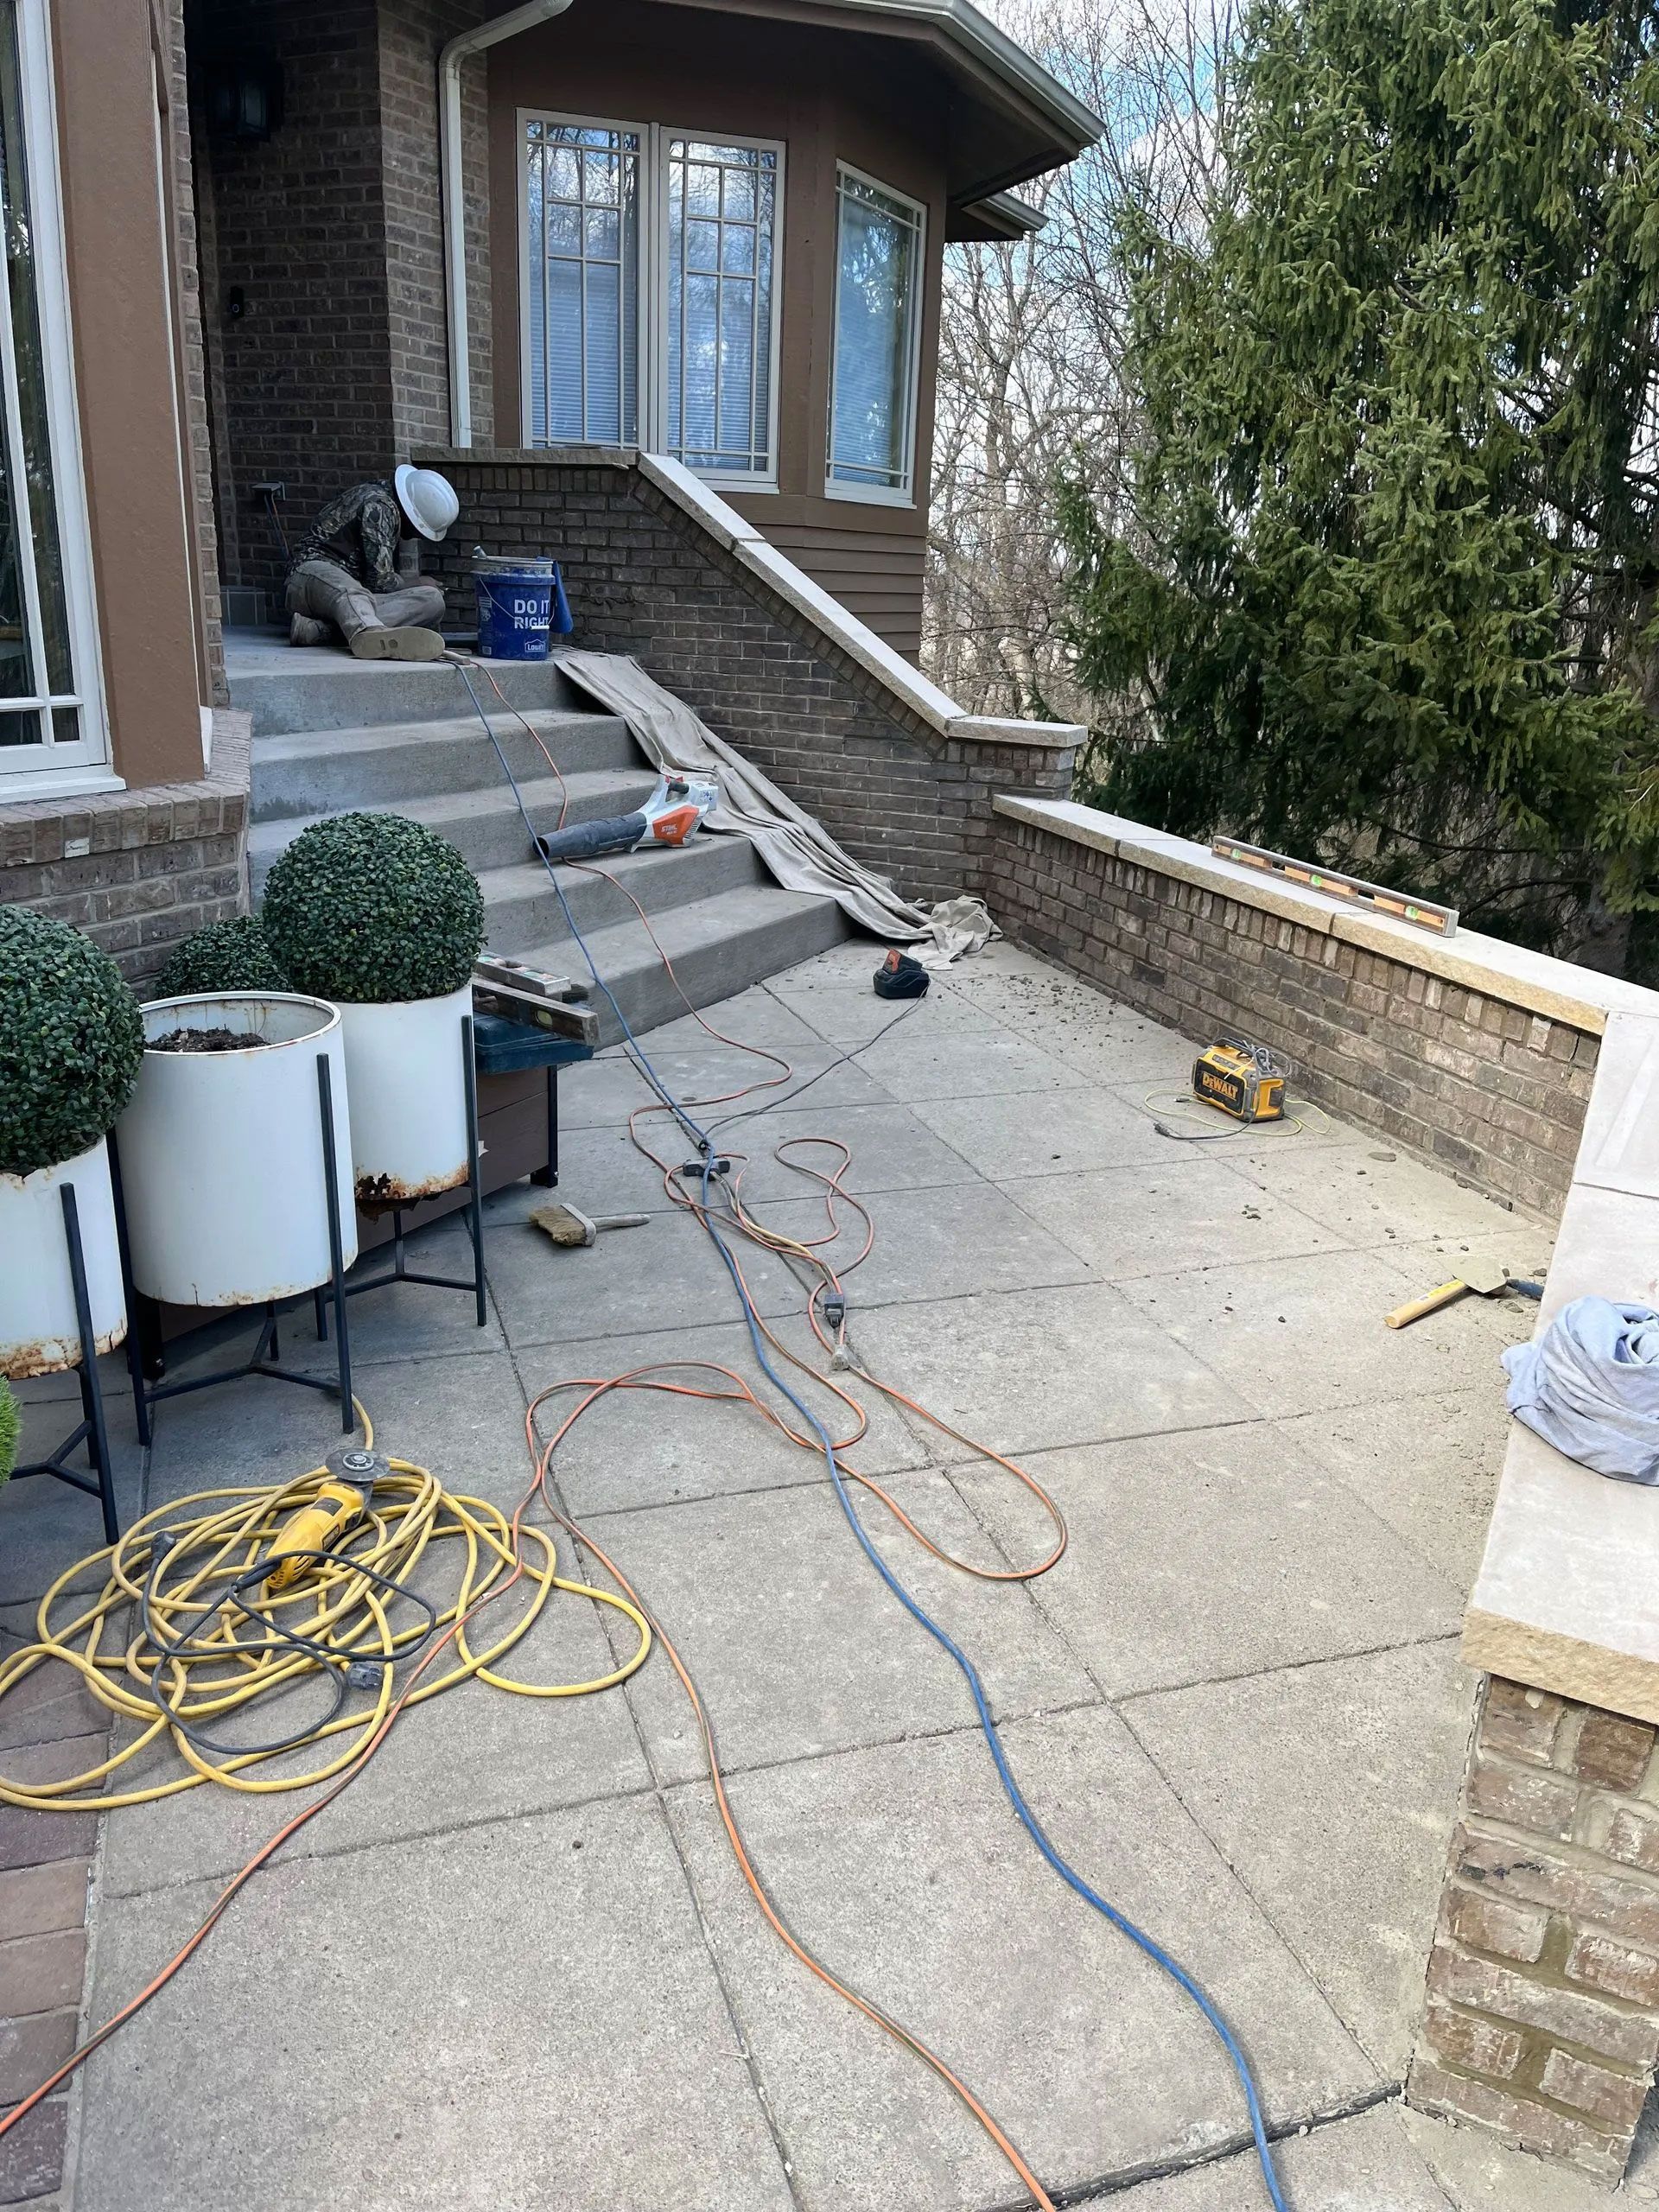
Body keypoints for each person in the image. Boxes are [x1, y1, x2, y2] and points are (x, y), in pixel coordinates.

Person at [285, 465, 460, 660]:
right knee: (350, 592)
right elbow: (379, 582)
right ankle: (371, 634)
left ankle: (317, 632)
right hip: (310, 573)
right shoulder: (379, 506)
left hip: (354, 598)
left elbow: (374, 587)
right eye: (420, 531)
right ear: (412, 515)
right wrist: (415, 582)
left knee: (432, 600)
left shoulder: (385, 502)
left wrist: (421, 587)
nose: (416, 536)